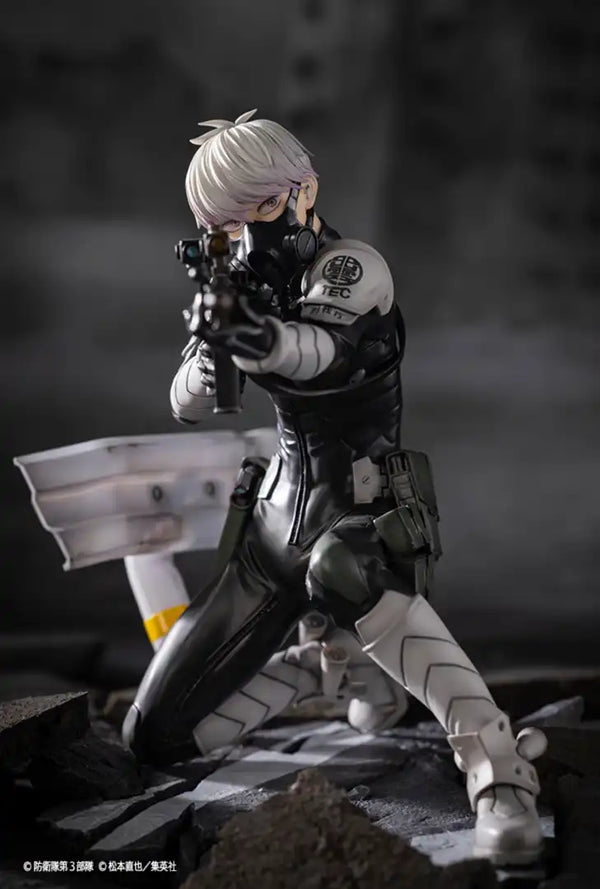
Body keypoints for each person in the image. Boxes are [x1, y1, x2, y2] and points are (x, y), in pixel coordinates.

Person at [123, 110, 546, 865]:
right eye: (223, 223)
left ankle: (497, 764)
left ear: (304, 190)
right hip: (273, 523)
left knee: (342, 570)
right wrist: (211, 344)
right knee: (154, 736)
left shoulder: (351, 267)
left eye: (259, 207)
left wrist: (254, 336)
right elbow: (184, 402)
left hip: (359, 512)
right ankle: (328, 669)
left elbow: (317, 353)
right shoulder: (237, 278)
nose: (246, 233)